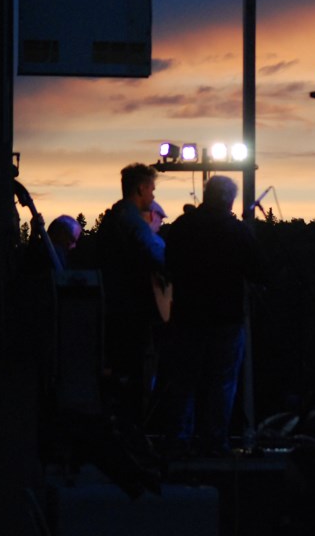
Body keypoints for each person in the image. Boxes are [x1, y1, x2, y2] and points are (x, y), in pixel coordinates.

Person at [159, 175, 265, 457]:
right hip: (225, 318)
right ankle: (214, 442)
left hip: (187, 316)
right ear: (230, 200)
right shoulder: (237, 231)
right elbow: (257, 271)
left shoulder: (182, 227)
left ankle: (177, 440)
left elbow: (168, 265)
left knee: (184, 381)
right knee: (222, 381)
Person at [96, 163, 166, 428]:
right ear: (140, 188)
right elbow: (156, 255)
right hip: (130, 313)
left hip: (118, 309)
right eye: (152, 190)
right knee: (134, 376)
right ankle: (131, 434)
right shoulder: (131, 221)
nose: (153, 196)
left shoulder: (116, 218)